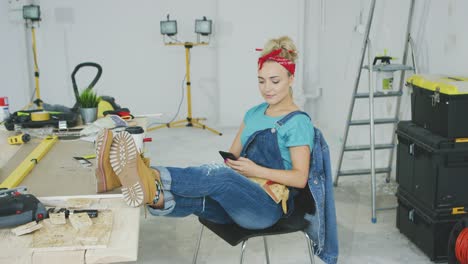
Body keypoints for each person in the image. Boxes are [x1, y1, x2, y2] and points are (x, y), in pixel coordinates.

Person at [95, 36, 314, 230]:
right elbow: (232, 160)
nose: (267, 88)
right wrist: (230, 168)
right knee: (201, 192)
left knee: (220, 177)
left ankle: (147, 173)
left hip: (265, 208)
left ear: (291, 79)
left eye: (275, 81)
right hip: (237, 200)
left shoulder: (297, 122)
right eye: (261, 81)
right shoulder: (253, 114)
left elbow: (300, 178)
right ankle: (152, 194)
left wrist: (255, 170)